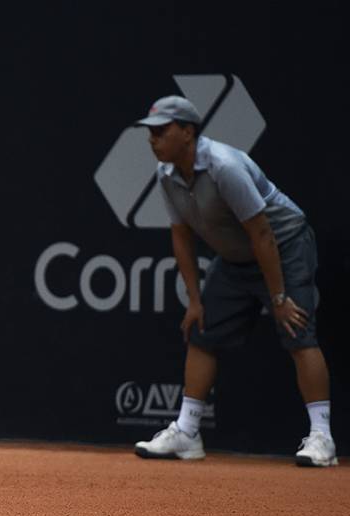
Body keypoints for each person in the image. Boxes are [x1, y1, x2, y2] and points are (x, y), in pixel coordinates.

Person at [131, 95, 337, 467]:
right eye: (151, 133)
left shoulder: (225, 166)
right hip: (237, 257)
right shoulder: (166, 176)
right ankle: (188, 433)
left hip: (283, 246)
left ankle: (322, 437)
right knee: (202, 329)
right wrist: (195, 301)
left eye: (161, 132)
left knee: (297, 330)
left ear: (188, 132)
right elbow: (181, 236)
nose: (153, 140)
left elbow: (262, 233)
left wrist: (278, 298)